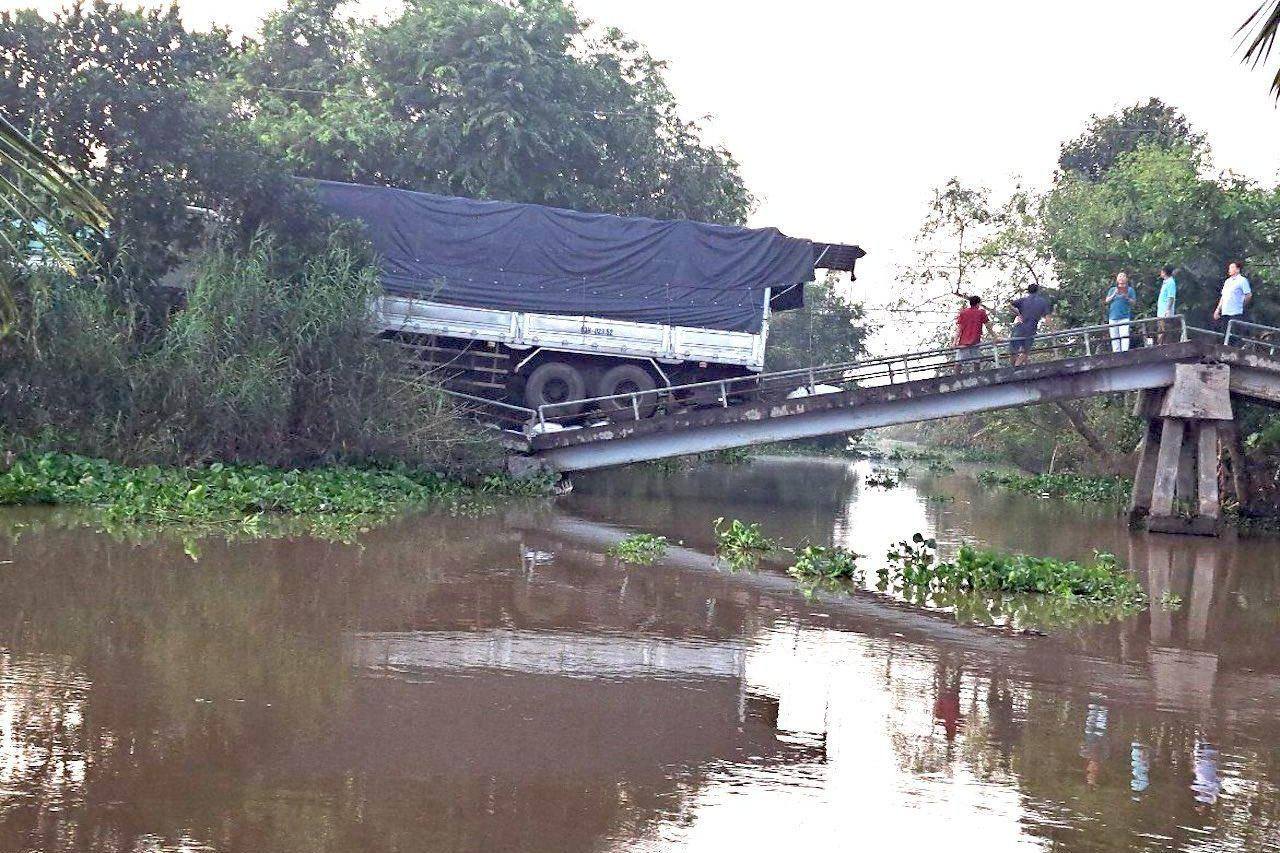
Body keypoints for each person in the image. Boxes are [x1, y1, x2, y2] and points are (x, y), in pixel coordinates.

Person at [1009, 283, 1052, 366]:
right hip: (1031, 329)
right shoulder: (1042, 302)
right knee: (1025, 351)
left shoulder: (1023, 300)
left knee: (1013, 351)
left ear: (1028, 291)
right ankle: (1016, 367)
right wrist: (1052, 330)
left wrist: (1018, 314)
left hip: (1019, 328)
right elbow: (1047, 319)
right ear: (1037, 291)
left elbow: (1010, 305)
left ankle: (1013, 368)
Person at [952, 295, 995, 372]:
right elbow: (988, 326)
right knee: (976, 361)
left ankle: (956, 377)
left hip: (963, 341)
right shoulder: (981, 313)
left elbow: (959, 328)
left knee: (959, 362)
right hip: (975, 341)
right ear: (978, 303)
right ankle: (977, 376)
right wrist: (995, 336)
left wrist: (954, 341)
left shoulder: (963, 312)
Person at [1213, 260, 1252, 339]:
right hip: (1225, 312)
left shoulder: (1242, 280)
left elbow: (1248, 295)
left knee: (1234, 335)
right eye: (1229, 268)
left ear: (1238, 269)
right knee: (1224, 334)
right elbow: (1223, 296)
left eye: (1232, 267)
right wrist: (1218, 310)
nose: (1229, 270)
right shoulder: (1227, 281)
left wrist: (1242, 304)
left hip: (1236, 312)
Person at [1104, 272, 1137, 352]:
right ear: (1117, 279)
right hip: (1113, 317)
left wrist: (1126, 297)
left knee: (1124, 337)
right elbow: (1107, 301)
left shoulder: (1130, 290)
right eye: (1119, 276)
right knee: (1114, 338)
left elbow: (1134, 302)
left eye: (1123, 276)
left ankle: (1125, 354)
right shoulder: (1112, 289)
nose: (1121, 278)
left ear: (1126, 279)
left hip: (1124, 317)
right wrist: (1113, 294)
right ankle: (1116, 355)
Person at [1156, 265, 1177, 344]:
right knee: (1160, 331)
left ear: (1164, 272)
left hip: (1165, 313)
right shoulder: (1165, 282)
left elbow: (1171, 297)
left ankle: (1165, 349)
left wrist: (1168, 310)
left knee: (1165, 332)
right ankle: (1160, 347)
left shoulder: (1171, 282)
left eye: (1162, 271)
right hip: (1161, 312)